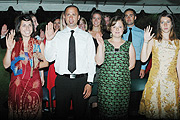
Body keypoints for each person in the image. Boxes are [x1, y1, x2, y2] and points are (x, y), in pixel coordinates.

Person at [44, 5, 96, 120]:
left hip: (81, 81)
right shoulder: (57, 36)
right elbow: (49, 58)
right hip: (63, 81)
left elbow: (91, 61)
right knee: (60, 114)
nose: (71, 17)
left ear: (78, 17)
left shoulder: (87, 37)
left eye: (73, 14)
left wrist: (90, 82)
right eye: (68, 14)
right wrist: (48, 40)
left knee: (81, 114)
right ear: (64, 17)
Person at [3, 14, 48, 120]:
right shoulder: (14, 43)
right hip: (17, 86)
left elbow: (46, 63)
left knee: (34, 113)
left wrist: (32, 66)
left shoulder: (39, 44)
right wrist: (9, 49)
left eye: (29, 25)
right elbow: (6, 65)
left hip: (34, 86)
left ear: (33, 27)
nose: (27, 28)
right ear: (19, 27)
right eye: (24, 25)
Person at [139, 12, 180, 119]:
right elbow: (143, 59)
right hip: (155, 83)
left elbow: (179, 66)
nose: (165, 25)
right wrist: (145, 41)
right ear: (159, 25)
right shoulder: (153, 41)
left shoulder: (178, 43)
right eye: (162, 22)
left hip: (172, 84)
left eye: (168, 22)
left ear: (172, 24)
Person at [95, 16, 136, 119]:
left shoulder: (129, 45)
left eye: (120, 27)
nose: (117, 29)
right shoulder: (103, 43)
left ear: (124, 29)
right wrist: (100, 45)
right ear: (110, 28)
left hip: (123, 86)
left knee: (121, 113)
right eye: (114, 26)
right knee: (105, 112)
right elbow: (99, 62)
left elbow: (132, 65)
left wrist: (119, 74)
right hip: (106, 86)